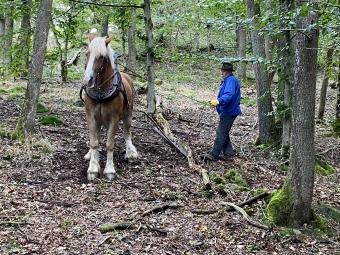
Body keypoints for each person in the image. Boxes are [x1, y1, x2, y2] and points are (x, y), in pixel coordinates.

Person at [201, 62, 242, 161]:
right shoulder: (228, 80)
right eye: (222, 70)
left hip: (229, 111)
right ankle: (229, 153)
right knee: (224, 132)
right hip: (227, 110)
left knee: (221, 132)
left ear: (227, 71)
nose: (221, 72)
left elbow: (229, 95)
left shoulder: (231, 80)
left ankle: (213, 154)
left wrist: (218, 101)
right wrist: (216, 103)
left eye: (223, 71)